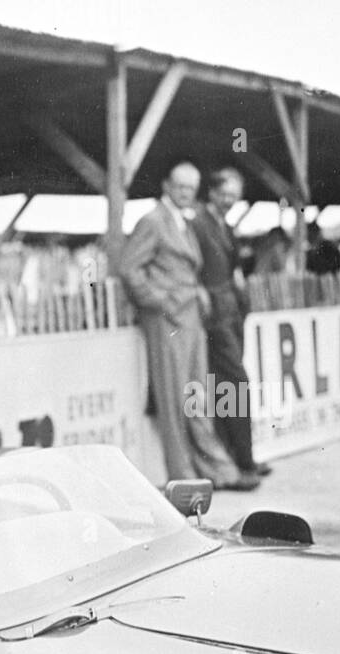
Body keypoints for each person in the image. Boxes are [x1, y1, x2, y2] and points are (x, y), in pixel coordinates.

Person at [119, 160, 255, 489]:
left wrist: (196, 290)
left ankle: (216, 469)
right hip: (167, 319)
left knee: (196, 397)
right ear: (166, 186)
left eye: (191, 189)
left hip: (191, 317)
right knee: (174, 399)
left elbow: (186, 267)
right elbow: (129, 268)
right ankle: (183, 475)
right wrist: (158, 300)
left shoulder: (183, 222)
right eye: (180, 187)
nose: (185, 193)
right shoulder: (153, 221)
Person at [190, 167, 268, 479]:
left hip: (232, 312)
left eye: (234, 196)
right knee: (235, 383)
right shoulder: (198, 224)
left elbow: (234, 267)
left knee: (226, 386)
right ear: (211, 192)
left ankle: (236, 457)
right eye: (223, 194)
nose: (228, 200)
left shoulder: (225, 226)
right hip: (215, 316)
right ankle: (244, 459)